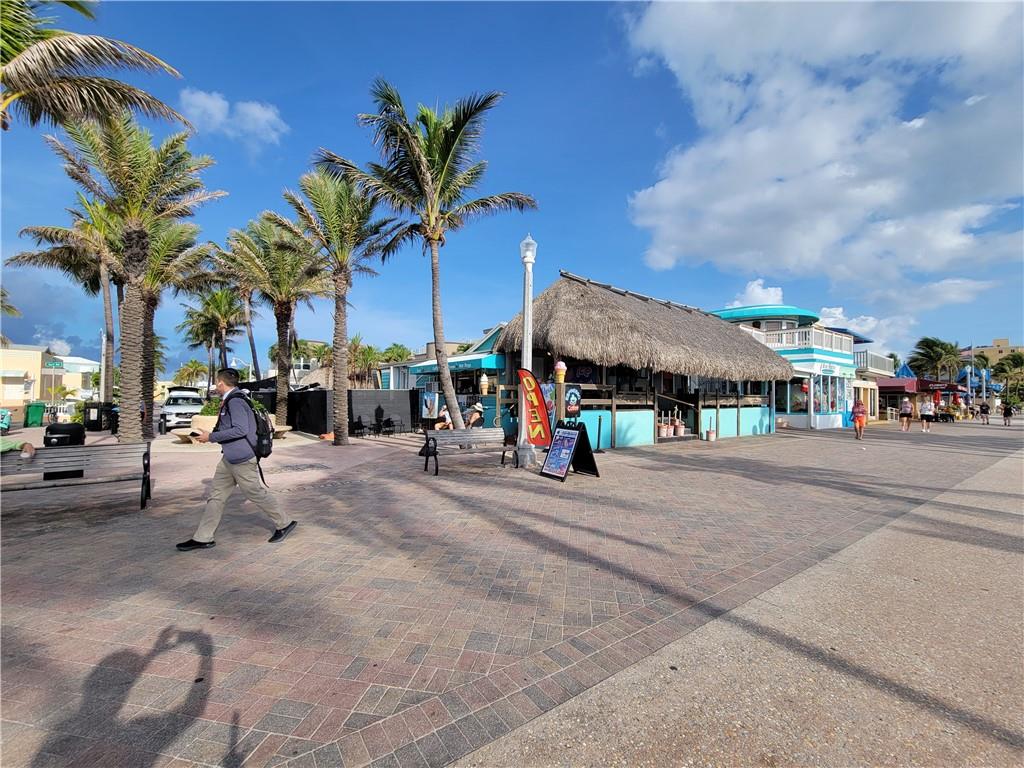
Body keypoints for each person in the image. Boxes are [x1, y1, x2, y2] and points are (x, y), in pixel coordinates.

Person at [176, 368, 295, 552]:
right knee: (216, 496)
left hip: (242, 458)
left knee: (255, 493)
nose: (215, 386)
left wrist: (211, 437)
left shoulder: (236, 401)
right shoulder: (233, 399)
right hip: (229, 458)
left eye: (216, 382)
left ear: (221, 383)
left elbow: (240, 429)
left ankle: (284, 523)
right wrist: (211, 435)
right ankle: (203, 538)